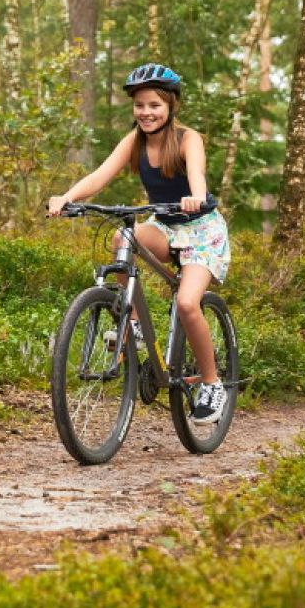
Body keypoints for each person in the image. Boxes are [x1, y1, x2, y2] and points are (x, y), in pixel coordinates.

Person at [46, 63, 232, 425]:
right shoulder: (134, 141)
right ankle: (132, 327)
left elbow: (197, 174)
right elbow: (100, 175)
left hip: (202, 230)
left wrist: (195, 196)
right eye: (140, 105)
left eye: (154, 105)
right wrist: (65, 197)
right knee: (122, 237)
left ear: (171, 106)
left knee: (187, 303)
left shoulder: (188, 138)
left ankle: (212, 385)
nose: (146, 113)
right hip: (164, 224)